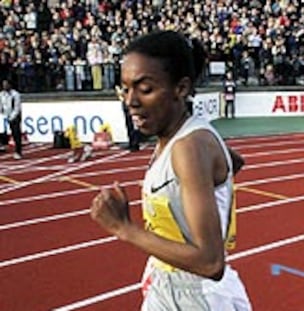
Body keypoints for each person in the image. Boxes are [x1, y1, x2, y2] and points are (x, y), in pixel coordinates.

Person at [90, 30, 252, 311]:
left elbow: (210, 262)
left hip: (195, 296)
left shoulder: (187, 147)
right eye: (126, 88)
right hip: (171, 286)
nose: (131, 101)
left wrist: (123, 228)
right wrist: (213, 177)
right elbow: (232, 161)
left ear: (181, 88)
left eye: (145, 89)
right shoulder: (181, 137)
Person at [0, 80, 22, 160]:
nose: (4, 86)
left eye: (6, 84)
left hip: (14, 116)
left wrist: (11, 117)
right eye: (3, 85)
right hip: (5, 114)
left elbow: (17, 108)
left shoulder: (15, 94)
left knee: (16, 133)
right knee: (2, 131)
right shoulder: (2, 94)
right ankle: (2, 144)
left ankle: (18, 151)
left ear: (10, 85)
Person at [116, 85, 141, 151]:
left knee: (134, 125)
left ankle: (135, 143)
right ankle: (131, 142)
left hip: (132, 104)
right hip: (126, 103)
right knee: (129, 124)